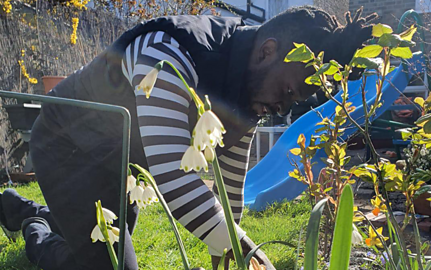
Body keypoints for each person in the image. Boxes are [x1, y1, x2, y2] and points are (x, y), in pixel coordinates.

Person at [0, 6, 377, 270]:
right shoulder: (169, 51)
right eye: (290, 91)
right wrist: (247, 250)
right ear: (267, 51)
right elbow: (173, 176)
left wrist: (225, 244)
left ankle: (47, 215)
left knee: (104, 243)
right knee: (107, 266)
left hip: (122, 165)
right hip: (68, 145)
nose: (283, 108)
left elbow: (230, 185)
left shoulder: (250, 91)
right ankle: (34, 226)